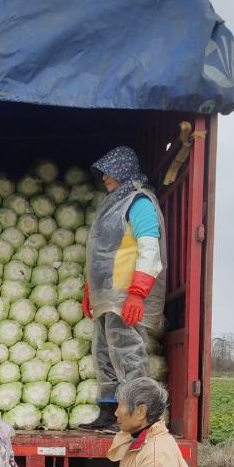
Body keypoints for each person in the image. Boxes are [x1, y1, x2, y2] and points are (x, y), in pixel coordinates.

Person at [82, 145, 166, 430]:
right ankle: (109, 413)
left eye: (109, 171)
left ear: (123, 171)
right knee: (104, 354)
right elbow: (100, 252)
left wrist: (137, 292)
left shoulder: (139, 203)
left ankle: (136, 419)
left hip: (126, 294)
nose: (104, 177)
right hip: (107, 296)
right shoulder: (111, 204)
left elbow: (149, 249)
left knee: (129, 355)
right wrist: (90, 291)